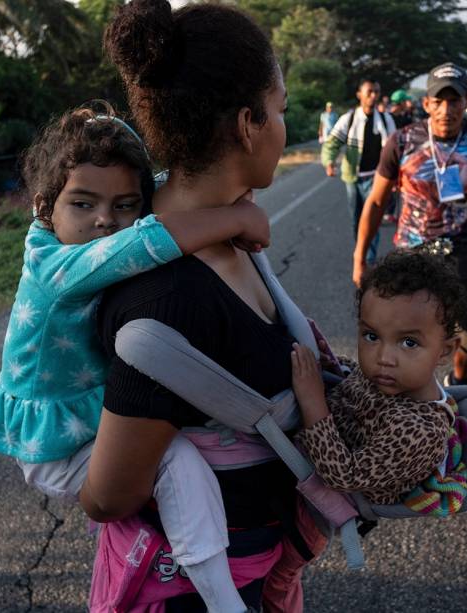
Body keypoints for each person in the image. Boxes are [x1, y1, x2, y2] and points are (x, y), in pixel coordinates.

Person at [0, 104, 273, 612]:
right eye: (83, 204)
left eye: (124, 205)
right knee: (178, 461)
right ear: (46, 208)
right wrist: (235, 215)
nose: (105, 222)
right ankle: (223, 599)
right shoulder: (57, 266)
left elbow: (156, 198)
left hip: (81, 416)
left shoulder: (79, 230)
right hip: (56, 448)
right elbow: (145, 242)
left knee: (173, 452)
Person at [84, 1, 329, 610]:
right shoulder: (166, 296)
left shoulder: (232, 235)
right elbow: (110, 495)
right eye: (279, 110)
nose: (281, 124)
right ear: (247, 123)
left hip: (255, 572)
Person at [352, 62, 467, 387]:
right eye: (438, 101)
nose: (446, 109)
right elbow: (374, 202)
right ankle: (403, 389)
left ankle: (459, 383)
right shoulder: (402, 141)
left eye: (454, 100)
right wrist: (360, 259)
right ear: (426, 104)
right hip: (410, 252)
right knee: (401, 328)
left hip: (462, 250)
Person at [291, 250, 467, 514]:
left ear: (445, 350)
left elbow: (344, 476)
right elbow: (357, 380)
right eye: (371, 336)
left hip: (330, 492)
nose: (384, 358)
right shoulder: (391, 377)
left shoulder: (418, 432)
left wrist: (312, 402)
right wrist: (331, 362)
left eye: (409, 342)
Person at [321, 79, 397, 265]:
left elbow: (396, 149)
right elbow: (332, 143)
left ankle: (369, 258)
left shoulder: (386, 120)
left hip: (376, 178)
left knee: (372, 218)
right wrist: (329, 162)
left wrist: (397, 177)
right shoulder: (349, 119)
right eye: (369, 91)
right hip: (352, 177)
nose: (373, 95)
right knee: (356, 218)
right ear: (359, 94)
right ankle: (361, 250)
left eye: (376, 91)